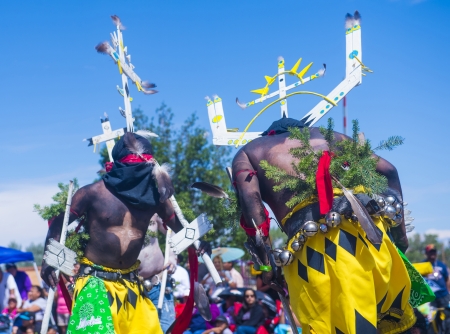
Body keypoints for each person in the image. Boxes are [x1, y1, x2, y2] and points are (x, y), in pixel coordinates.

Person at [231, 118, 415, 333]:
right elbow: (389, 171)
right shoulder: (332, 136)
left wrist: (266, 266)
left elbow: (252, 205)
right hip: (371, 239)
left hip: (316, 253)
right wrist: (400, 237)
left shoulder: (249, 152)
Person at [41, 133, 209, 334]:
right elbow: (58, 224)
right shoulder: (93, 193)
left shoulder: (155, 199)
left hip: (131, 287)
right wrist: (48, 259)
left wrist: (200, 242)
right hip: (96, 285)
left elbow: (182, 229)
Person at [138, 214, 177, 333]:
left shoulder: (153, 207)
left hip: (158, 286)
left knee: (166, 330)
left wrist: (172, 257)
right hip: (126, 288)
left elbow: (172, 231)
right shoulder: (113, 204)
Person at [423, 244, 450, 333]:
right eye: (430, 252)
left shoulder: (441, 265)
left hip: (443, 296)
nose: (432, 254)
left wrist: (449, 292)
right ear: (426, 253)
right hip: (430, 298)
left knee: (446, 317)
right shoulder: (422, 265)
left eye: (434, 251)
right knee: (430, 319)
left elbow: (447, 279)